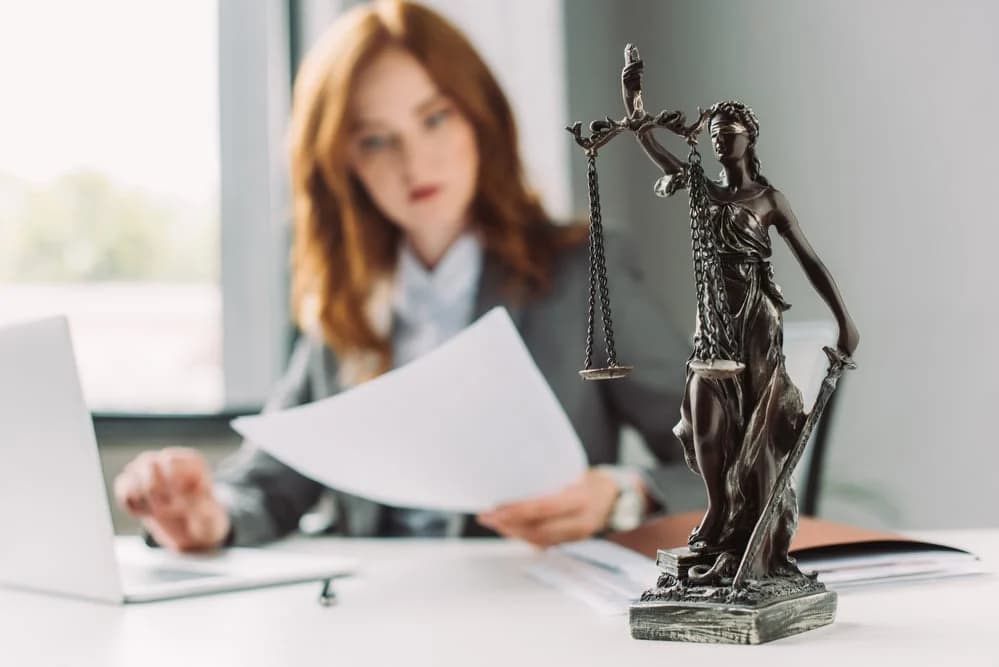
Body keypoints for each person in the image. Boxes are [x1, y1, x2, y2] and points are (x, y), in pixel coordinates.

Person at [114, 0, 692, 553]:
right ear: (343, 166)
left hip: (532, 612)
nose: (414, 164)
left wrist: (622, 493)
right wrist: (201, 516)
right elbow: (268, 487)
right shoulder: (346, 304)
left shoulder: (583, 273)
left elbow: (730, 456)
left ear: (479, 118)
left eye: (434, 118)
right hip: (381, 618)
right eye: (375, 140)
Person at [622, 58, 860, 577]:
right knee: (704, 420)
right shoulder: (704, 189)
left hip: (755, 318)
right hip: (713, 322)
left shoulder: (767, 198)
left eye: (728, 134)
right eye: (713, 135)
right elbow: (656, 150)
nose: (718, 143)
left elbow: (811, 261)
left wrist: (844, 320)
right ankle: (719, 512)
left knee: (755, 423)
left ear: (749, 138)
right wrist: (634, 102)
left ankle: (755, 538)